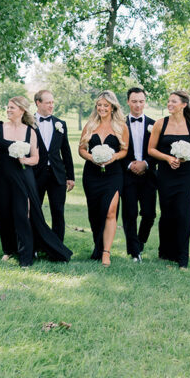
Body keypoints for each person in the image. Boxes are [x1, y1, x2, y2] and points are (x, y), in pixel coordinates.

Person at [0, 96, 72, 267]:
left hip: (23, 178)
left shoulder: (30, 131)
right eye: (8, 107)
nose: (8, 110)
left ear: (22, 110)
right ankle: (9, 250)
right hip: (1, 178)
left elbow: (36, 158)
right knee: (3, 215)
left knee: (22, 215)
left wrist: (24, 160)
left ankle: (26, 256)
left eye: (12, 107)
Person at [148, 90, 190, 269]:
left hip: (185, 175)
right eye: (169, 101)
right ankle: (165, 252)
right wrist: (168, 158)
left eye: (174, 102)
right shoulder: (160, 123)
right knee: (167, 213)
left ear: (184, 105)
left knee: (183, 213)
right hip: (165, 174)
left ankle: (182, 257)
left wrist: (186, 157)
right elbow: (151, 149)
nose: (170, 104)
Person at [78, 91, 128, 266]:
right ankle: (98, 246)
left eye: (106, 105)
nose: (102, 108)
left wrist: (113, 157)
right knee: (95, 213)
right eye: (99, 105)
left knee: (110, 211)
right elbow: (81, 149)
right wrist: (91, 158)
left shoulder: (121, 127)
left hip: (113, 175)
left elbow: (124, 150)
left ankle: (106, 252)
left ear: (112, 107)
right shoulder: (90, 125)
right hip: (92, 175)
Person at [31, 89, 75, 242]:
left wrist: (70, 176)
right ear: (38, 103)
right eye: (48, 102)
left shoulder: (60, 124)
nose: (51, 105)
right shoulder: (28, 123)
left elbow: (66, 151)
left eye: (52, 102)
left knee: (58, 211)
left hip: (57, 174)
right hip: (35, 173)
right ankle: (36, 245)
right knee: (35, 211)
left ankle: (58, 247)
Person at [122, 87, 156, 261]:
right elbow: (115, 148)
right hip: (127, 175)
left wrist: (146, 164)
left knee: (149, 214)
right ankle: (134, 252)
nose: (138, 105)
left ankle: (140, 243)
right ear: (128, 102)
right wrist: (130, 164)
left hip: (149, 175)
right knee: (130, 213)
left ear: (145, 102)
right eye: (134, 101)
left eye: (141, 101)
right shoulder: (120, 123)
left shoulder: (154, 124)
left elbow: (158, 149)